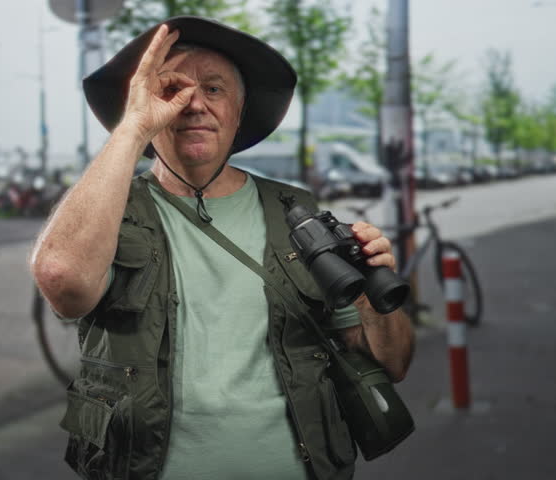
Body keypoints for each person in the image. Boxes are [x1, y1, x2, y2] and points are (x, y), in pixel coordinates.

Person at [30, 16, 414, 480]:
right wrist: (132, 128)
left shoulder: (295, 209)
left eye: (214, 90)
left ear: (239, 110)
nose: (194, 105)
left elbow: (391, 363)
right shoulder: (108, 213)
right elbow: (61, 279)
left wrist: (374, 292)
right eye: (172, 90)